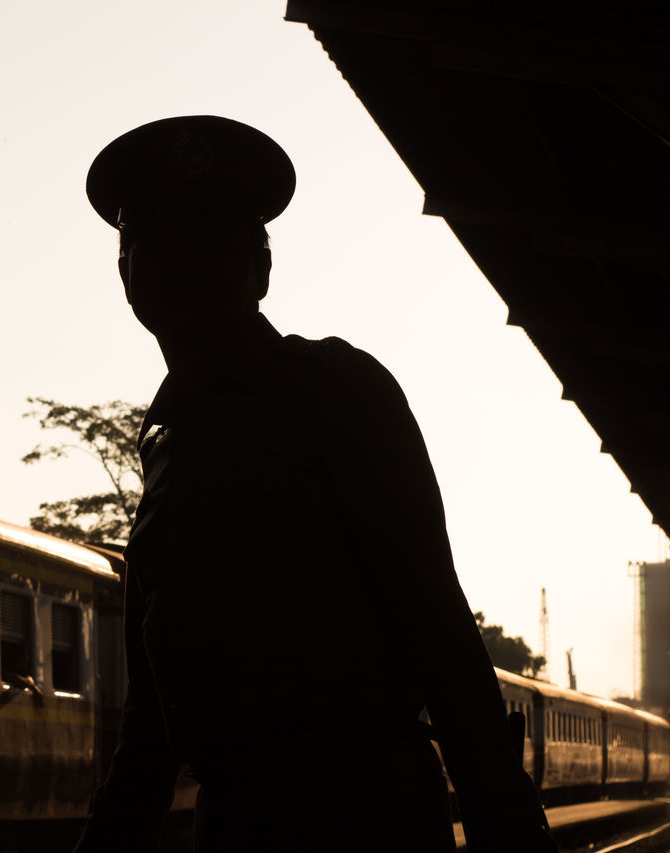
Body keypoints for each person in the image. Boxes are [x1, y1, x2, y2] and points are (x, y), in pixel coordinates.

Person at [72, 116, 555, 852]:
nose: (180, 266)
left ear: (259, 271)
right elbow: (153, 715)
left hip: (367, 817)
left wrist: (512, 832)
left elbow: (438, 627)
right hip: (236, 824)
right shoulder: (164, 443)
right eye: (152, 245)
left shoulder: (338, 393)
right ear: (127, 280)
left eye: (210, 244)